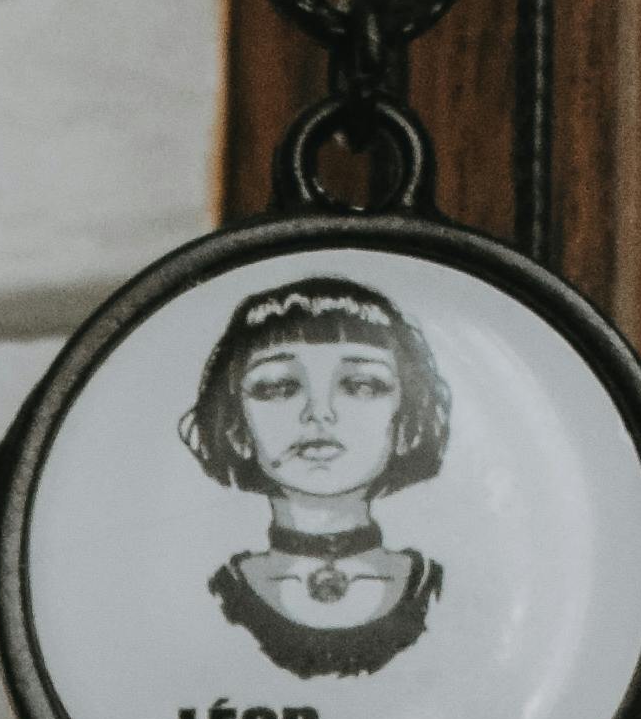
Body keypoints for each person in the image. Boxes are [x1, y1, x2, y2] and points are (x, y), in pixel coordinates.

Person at [179, 272, 450, 676]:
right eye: (278, 387)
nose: (319, 412)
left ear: (407, 423)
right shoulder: (208, 599)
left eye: (360, 385)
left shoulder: (442, 593)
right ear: (236, 427)